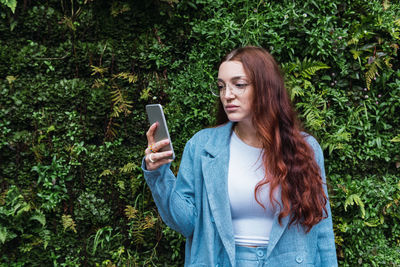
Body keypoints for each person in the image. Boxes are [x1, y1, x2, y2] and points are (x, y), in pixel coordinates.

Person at [142, 46, 338, 267]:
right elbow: (185, 223)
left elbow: (321, 229)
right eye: (221, 86)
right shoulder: (202, 146)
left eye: (239, 85)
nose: (227, 95)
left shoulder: (305, 149)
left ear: (266, 88)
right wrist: (158, 174)